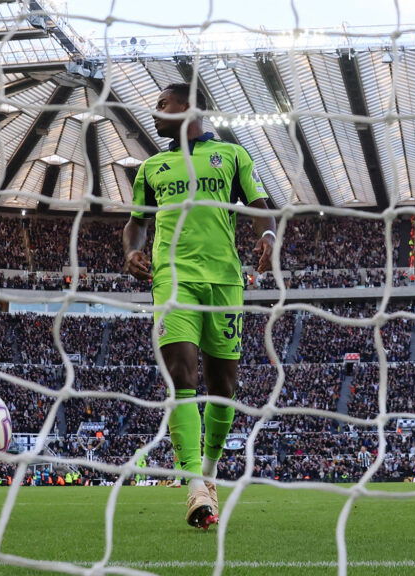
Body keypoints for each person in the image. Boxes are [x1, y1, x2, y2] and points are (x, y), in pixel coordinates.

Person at [122, 83, 277, 529]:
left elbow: (260, 206)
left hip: (224, 280)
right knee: (182, 377)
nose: (155, 112)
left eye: (162, 104)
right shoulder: (151, 167)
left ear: (188, 106)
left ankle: (209, 472)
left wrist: (267, 237)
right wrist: (132, 251)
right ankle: (193, 485)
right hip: (173, 279)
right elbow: (135, 224)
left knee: (223, 386)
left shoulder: (231, 155)